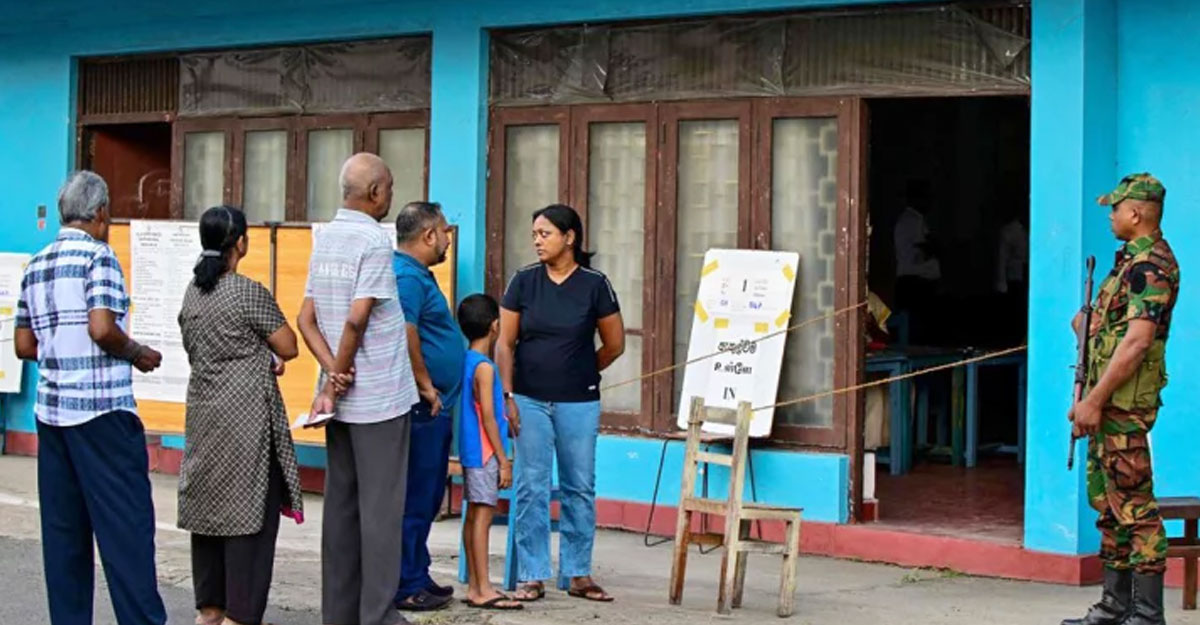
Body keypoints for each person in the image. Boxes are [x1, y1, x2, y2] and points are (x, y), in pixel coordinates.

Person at [14, 170, 168, 625]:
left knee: (65, 537)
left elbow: (25, 346)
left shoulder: (37, 263)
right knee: (126, 532)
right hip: (101, 414)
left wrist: (62, 355)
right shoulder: (99, 257)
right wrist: (137, 353)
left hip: (52, 415)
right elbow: (101, 327)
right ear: (100, 213)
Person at [297, 153, 419, 625]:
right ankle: (379, 616)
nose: (390, 197)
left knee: (342, 514)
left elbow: (307, 319)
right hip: (379, 400)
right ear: (374, 193)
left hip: (340, 405)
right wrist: (339, 374)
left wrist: (330, 378)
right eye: (388, 188)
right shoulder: (373, 239)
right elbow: (357, 315)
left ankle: (341, 615)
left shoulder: (327, 237)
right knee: (381, 517)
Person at [176, 206, 306, 625]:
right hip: (247, 420)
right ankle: (239, 614)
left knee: (209, 511)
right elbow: (287, 346)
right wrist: (262, 356)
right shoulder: (247, 292)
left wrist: (254, 355)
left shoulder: (192, 293)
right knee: (249, 515)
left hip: (204, 416)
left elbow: (197, 348)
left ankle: (210, 610)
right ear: (242, 243)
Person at [1063, 173, 1179, 625]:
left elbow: (1136, 342)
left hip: (1123, 405)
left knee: (1136, 506)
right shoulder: (1127, 263)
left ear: (1136, 213)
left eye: (1115, 208)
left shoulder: (1151, 267)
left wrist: (1093, 400)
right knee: (1109, 503)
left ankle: (1147, 615)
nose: (1110, 215)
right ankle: (1114, 606)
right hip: (1108, 402)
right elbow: (1110, 330)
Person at [497, 203, 625, 603]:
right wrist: (508, 395)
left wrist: (585, 369)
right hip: (529, 399)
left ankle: (578, 574)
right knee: (531, 485)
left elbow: (615, 344)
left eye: (545, 233)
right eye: (534, 234)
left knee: (579, 486)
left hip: (579, 402)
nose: (537, 240)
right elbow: (504, 342)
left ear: (570, 237)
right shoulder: (523, 282)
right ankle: (532, 575)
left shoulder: (594, 284)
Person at [391, 201, 462, 612]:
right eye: (445, 232)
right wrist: (425, 385)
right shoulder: (406, 277)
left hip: (433, 407)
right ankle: (405, 583)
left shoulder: (417, 275)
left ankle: (417, 571)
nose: (449, 239)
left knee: (428, 493)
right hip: (422, 408)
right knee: (417, 497)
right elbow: (405, 329)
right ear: (429, 235)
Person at [456, 294, 522, 611]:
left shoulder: (467, 359)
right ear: (495, 325)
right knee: (483, 518)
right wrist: (504, 460)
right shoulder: (486, 368)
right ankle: (482, 588)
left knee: (473, 518)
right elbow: (488, 419)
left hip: (471, 450)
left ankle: (475, 585)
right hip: (485, 453)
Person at [892, 179, 940, 344]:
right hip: (917, 282)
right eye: (927, 198)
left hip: (910, 281)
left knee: (911, 331)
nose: (930, 203)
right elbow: (924, 247)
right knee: (918, 333)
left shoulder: (907, 219)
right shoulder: (914, 220)